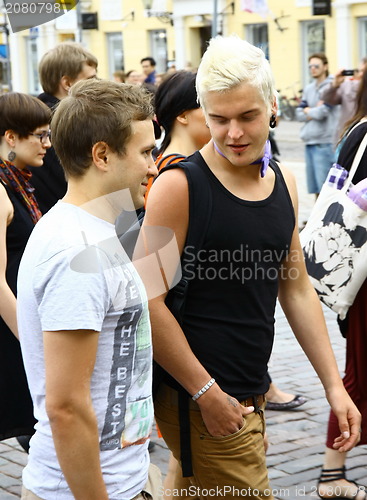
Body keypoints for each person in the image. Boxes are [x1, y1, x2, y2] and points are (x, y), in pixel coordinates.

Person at [142, 35, 361, 499]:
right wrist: (207, 394)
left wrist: (333, 387)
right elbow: (148, 299)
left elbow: (296, 288)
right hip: (202, 398)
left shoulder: (283, 179)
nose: (234, 134)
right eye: (218, 119)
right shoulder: (178, 186)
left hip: (248, 391)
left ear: (273, 105)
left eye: (247, 116)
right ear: (201, 110)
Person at [17, 79, 161, 500]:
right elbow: (65, 407)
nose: (154, 166)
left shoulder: (100, 229)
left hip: (124, 476)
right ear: (102, 155)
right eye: (145, 151)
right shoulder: (74, 253)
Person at [317, 68, 367, 500]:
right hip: (363, 283)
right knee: (359, 373)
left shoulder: (357, 132)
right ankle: (332, 475)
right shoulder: (363, 135)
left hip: (355, 278)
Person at [0, 92, 51, 451]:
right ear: (11, 138)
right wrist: (34, 342)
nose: (47, 144)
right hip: (13, 329)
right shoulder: (2, 190)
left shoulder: (18, 181)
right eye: (40, 135)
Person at [29, 42, 98, 213]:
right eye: (91, 79)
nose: (98, 84)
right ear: (67, 83)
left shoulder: (38, 117)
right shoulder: (67, 125)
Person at [295, 53, 338, 198]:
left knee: (326, 188)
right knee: (315, 188)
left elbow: (323, 112)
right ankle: (317, 218)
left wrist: (309, 110)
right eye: (310, 66)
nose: (312, 69)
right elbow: (299, 113)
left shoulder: (333, 86)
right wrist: (312, 110)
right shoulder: (309, 88)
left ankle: (327, 219)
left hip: (325, 143)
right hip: (309, 142)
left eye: (316, 66)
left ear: (325, 67)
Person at [321, 58, 367, 149]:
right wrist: (334, 84)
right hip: (346, 136)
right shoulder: (348, 86)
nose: (361, 74)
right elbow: (326, 98)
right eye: (359, 71)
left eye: (364, 72)